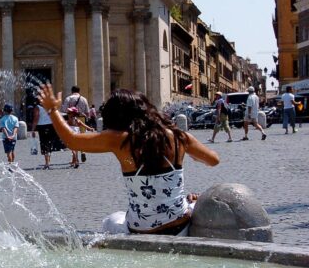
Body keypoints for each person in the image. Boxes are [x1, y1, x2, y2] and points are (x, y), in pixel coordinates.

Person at [39, 85, 219, 235]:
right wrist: (192, 154)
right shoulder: (180, 137)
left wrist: (52, 110)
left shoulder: (119, 140)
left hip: (141, 229)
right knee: (196, 202)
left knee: (110, 221)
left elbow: (72, 140)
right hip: (179, 227)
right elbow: (213, 160)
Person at [63, 86, 90, 162]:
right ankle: (83, 151)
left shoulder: (68, 98)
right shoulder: (84, 99)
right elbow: (87, 112)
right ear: (79, 91)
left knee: (73, 139)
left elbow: (64, 109)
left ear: (72, 91)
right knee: (82, 136)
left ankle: (74, 158)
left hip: (72, 119)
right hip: (82, 119)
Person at [30, 103, 60, 169]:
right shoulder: (51, 106)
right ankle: (48, 161)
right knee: (50, 143)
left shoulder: (38, 107)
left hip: (42, 126)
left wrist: (33, 129)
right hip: (51, 126)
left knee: (44, 143)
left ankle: (47, 163)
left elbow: (36, 118)